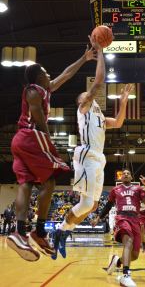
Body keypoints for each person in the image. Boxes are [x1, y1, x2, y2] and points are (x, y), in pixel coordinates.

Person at [7, 44, 97, 262]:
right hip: (31, 136)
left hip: (20, 140)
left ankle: (19, 232)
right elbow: (37, 117)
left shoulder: (43, 89)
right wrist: (48, 139)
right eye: (46, 73)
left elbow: (65, 74)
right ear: (38, 78)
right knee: (50, 180)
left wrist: (84, 58)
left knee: (26, 184)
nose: (50, 75)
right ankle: (37, 231)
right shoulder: (33, 90)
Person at [51, 40, 133, 260]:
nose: (85, 96)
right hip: (86, 155)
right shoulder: (85, 108)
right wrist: (102, 51)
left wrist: (124, 101)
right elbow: (98, 82)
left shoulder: (99, 116)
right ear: (81, 102)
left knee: (93, 204)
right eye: (83, 96)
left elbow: (117, 122)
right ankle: (60, 231)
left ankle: (63, 232)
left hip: (99, 159)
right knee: (87, 203)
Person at [91, 169, 145, 287]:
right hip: (122, 218)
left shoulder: (138, 189)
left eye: (128, 173)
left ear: (131, 178)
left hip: (135, 220)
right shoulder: (115, 190)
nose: (126, 174)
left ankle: (117, 261)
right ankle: (125, 275)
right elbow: (108, 206)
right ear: (121, 178)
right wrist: (98, 218)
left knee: (134, 255)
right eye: (124, 173)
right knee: (128, 241)